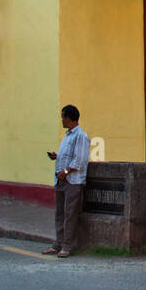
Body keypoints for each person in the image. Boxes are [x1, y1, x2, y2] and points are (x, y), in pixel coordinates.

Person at [46, 104, 89, 258]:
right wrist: (56, 156)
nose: (61, 120)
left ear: (69, 118)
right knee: (60, 213)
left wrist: (65, 172)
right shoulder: (67, 135)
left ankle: (67, 245)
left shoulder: (81, 136)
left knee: (70, 214)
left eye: (63, 117)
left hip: (72, 181)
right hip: (61, 180)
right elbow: (69, 156)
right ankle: (58, 243)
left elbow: (80, 160)